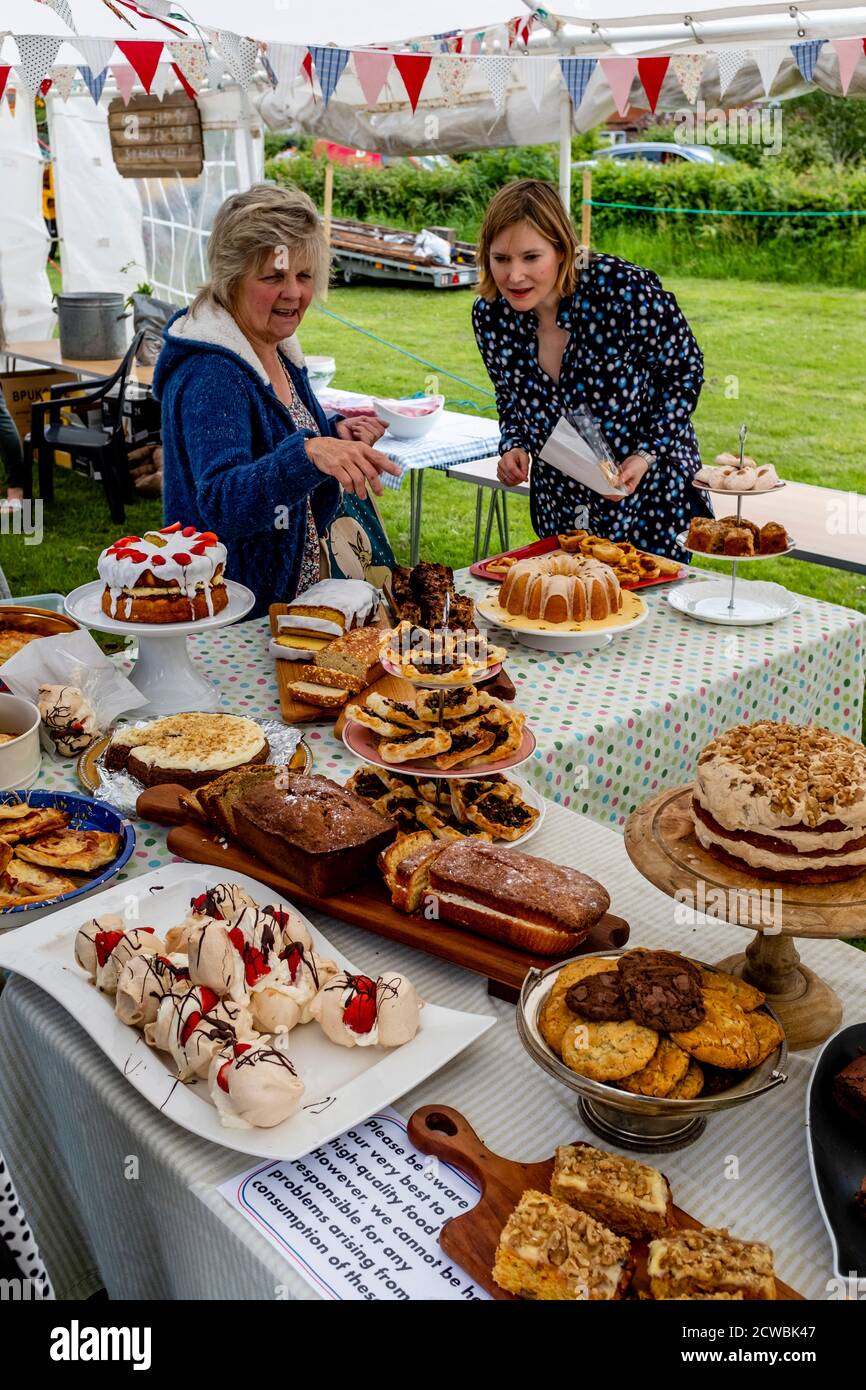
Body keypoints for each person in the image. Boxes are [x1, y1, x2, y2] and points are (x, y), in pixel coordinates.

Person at [154, 184, 398, 615]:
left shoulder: (273, 344)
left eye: (304, 276)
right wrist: (307, 454)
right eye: (273, 277)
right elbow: (221, 503)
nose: (293, 293)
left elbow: (283, 434)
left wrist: (334, 432)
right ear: (231, 278)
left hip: (293, 604)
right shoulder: (212, 373)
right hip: (240, 614)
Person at [472, 179, 711, 559]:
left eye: (531, 257)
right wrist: (514, 444)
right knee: (568, 607)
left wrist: (646, 454)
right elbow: (510, 394)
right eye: (501, 259)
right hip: (563, 498)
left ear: (562, 250)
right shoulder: (491, 317)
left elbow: (684, 373)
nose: (514, 276)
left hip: (649, 491)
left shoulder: (621, 291)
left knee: (649, 604)